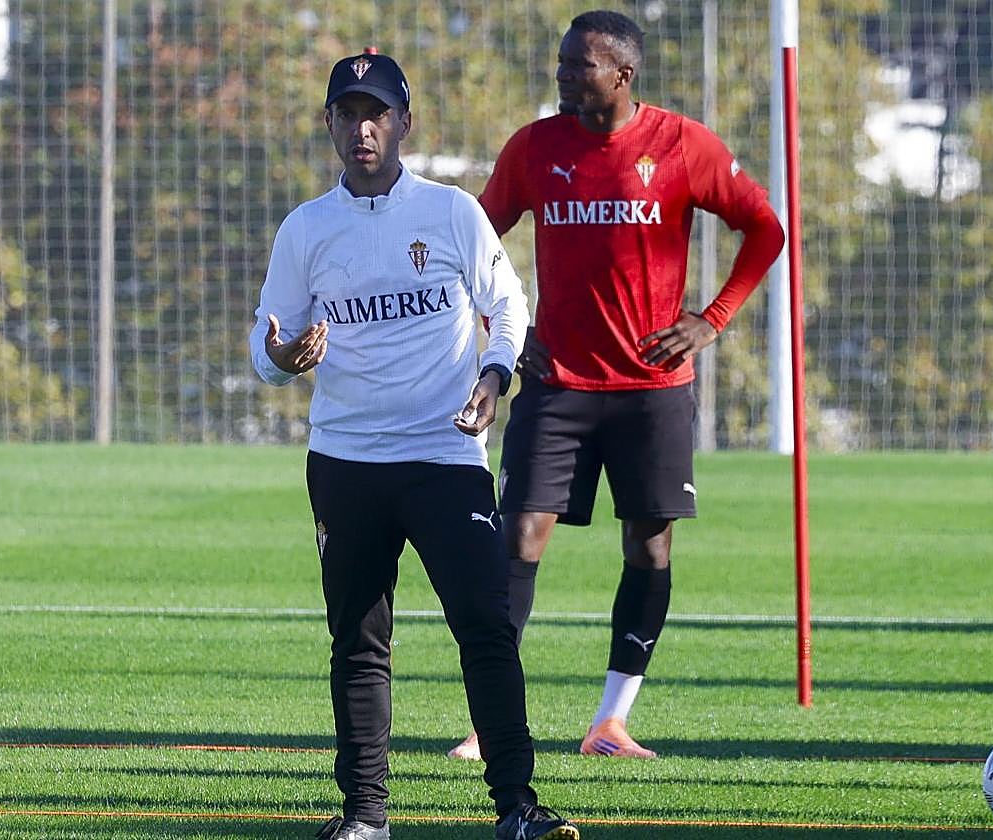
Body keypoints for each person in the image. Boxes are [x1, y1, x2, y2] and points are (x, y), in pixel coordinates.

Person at [249, 48, 579, 840]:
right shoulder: (307, 229)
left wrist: (495, 376)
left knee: (485, 624)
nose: (362, 128)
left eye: (377, 113)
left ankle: (517, 808)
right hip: (346, 464)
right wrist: (285, 358)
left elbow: (507, 304)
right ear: (328, 124)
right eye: (347, 113)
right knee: (359, 641)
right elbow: (265, 347)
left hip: (445, 459)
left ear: (403, 123)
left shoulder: (453, 213)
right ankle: (365, 817)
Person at [447, 9, 785, 763]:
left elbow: (765, 228)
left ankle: (610, 722)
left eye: (578, 66)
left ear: (622, 75)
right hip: (557, 382)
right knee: (519, 539)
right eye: (561, 63)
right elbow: (468, 240)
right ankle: (490, 718)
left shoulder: (681, 145)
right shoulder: (534, 149)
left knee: (649, 549)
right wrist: (501, 326)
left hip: (653, 387)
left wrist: (712, 319)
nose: (562, 76)